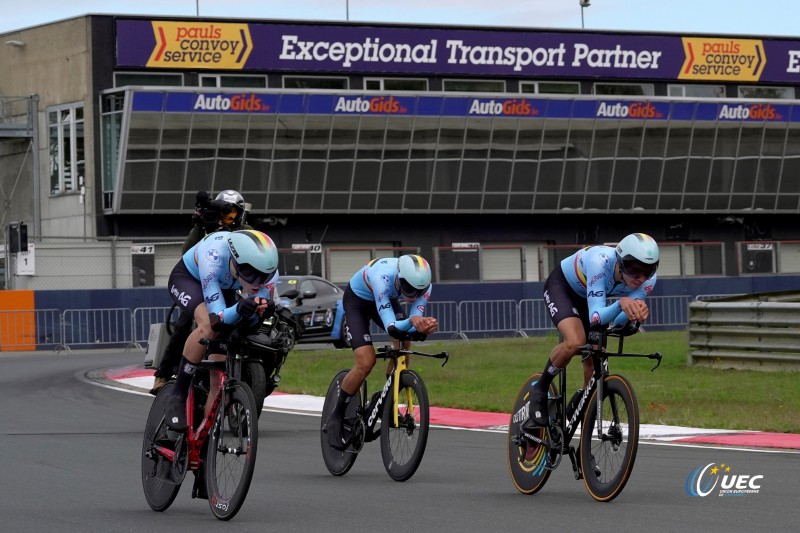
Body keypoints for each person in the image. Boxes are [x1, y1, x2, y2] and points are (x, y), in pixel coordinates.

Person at [526, 233, 659, 427]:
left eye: (648, 271)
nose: (640, 278)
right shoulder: (600, 262)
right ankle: (540, 388)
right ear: (620, 262)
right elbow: (596, 317)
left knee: (596, 359)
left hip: (593, 298)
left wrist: (635, 314)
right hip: (563, 288)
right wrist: (622, 304)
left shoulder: (649, 281)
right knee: (575, 342)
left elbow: (617, 321)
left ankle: (583, 428)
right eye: (634, 270)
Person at [163, 228, 280, 432]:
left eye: (265, 275)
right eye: (251, 274)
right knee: (208, 328)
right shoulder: (214, 257)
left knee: (218, 377)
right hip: (189, 279)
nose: (259, 282)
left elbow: (250, 321)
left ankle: (203, 441)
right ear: (234, 261)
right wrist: (240, 307)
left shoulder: (267, 275)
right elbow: (217, 320)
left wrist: (262, 311)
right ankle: (178, 393)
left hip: (224, 287)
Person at [323, 254, 439, 451]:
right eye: (408, 289)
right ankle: (336, 415)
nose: (412, 295)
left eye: (417, 291)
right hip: (357, 302)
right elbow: (391, 327)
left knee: (405, 343)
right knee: (366, 362)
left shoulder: (423, 286)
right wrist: (413, 323)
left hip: (385, 298)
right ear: (399, 278)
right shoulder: (382, 277)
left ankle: (389, 395)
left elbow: (414, 320)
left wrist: (423, 326)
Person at [150, 189, 251, 395]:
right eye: (225, 212)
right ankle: (164, 373)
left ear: (240, 213)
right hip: (199, 284)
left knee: (240, 321)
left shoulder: (246, 230)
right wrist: (200, 226)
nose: (228, 217)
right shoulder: (208, 225)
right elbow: (185, 251)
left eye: (233, 212)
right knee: (183, 324)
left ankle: (242, 368)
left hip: (229, 287)